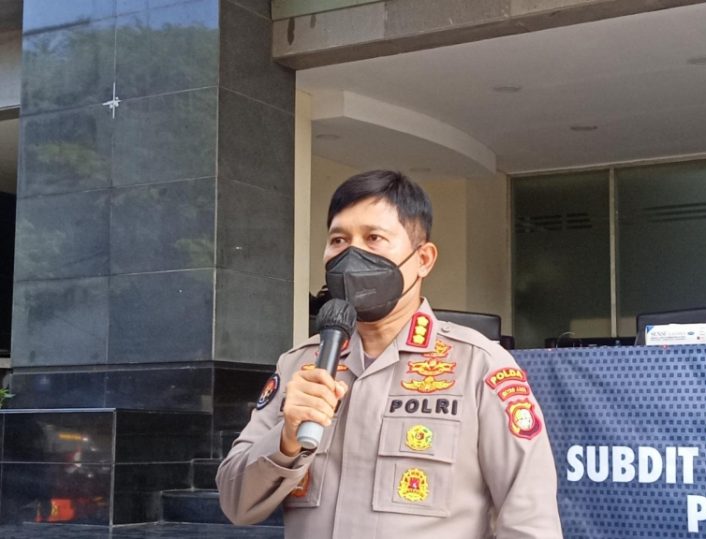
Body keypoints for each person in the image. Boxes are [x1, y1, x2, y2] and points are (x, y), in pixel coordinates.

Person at [216, 170, 562, 538]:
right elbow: (236, 504)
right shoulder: (300, 365)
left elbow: (529, 520)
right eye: (338, 240)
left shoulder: (478, 365)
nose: (352, 255)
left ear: (423, 258)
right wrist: (286, 440)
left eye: (374, 238)